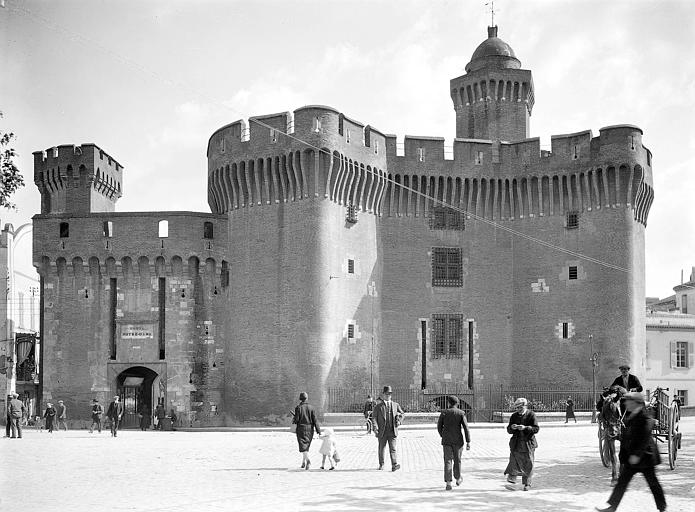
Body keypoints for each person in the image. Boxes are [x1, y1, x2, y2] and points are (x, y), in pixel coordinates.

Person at [595, 392, 666, 512]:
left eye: (628, 401)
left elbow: (644, 438)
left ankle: (662, 508)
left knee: (653, 484)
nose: (626, 403)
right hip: (632, 458)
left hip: (645, 457)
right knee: (622, 482)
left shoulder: (645, 417)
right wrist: (624, 456)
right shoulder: (630, 414)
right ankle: (612, 506)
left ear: (636, 403)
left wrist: (636, 455)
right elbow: (626, 437)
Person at [504, 397, 539, 491]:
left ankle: (527, 484)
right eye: (517, 408)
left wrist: (525, 428)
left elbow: (536, 429)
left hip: (528, 444)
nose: (518, 410)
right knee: (513, 462)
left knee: (528, 464)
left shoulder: (531, 415)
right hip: (516, 444)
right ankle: (512, 482)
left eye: (520, 408)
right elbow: (508, 430)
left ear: (525, 406)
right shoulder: (514, 416)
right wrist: (512, 427)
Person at [437, 395, 471, 490]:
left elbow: (439, 426)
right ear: (457, 404)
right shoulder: (461, 413)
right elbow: (466, 428)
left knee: (447, 461)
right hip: (458, 441)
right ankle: (458, 478)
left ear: (448, 403)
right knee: (457, 460)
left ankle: (448, 483)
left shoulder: (444, 413)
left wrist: (442, 435)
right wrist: (468, 441)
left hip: (447, 441)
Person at [373, 385, 404, 471]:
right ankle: (381, 464)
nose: (388, 395)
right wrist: (375, 428)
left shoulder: (395, 405)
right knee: (381, 448)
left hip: (392, 431)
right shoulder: (378, 407)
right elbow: (374, 418)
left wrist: (399, 421)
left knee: (393, 449)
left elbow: (402, 414)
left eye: (389, 394)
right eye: (386, 394)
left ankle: (394, 465)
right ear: (383, 394)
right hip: (382, 431)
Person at [292, 391, 321, 470]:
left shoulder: (298, 408)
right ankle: (303, 462)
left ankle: (308, 461)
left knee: (303, 446)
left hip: (301, 429)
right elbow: (315, 420)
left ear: (300, 399)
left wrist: (294, 418)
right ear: (307, 398)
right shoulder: (312, 407)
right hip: (310, 429)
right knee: (306, 446)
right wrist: (318, 431)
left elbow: (296, 420)